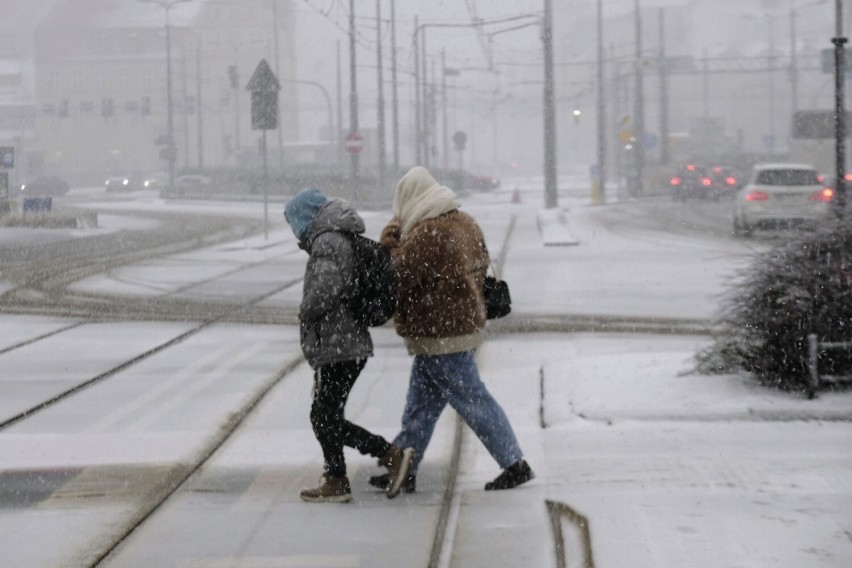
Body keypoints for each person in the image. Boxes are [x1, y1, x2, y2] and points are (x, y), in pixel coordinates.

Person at [369, 167, 533, 494]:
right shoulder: (462, 220)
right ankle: (405, 466)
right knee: (422, 404)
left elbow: (397, 274)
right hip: (456, 326)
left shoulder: (430, 231)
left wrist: (388, 240)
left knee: (472, 400)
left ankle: (515, 463)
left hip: (441, 334)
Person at [284, 187, 415, 503]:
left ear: (305, 218)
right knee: (327, 415)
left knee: (324, 416)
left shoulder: (327, 242)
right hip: (343, 342)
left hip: (340, 343)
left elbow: (326, 289)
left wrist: (306, 310)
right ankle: (338, 478)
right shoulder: (335, 237)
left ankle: (387, 455)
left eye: (294, 222)